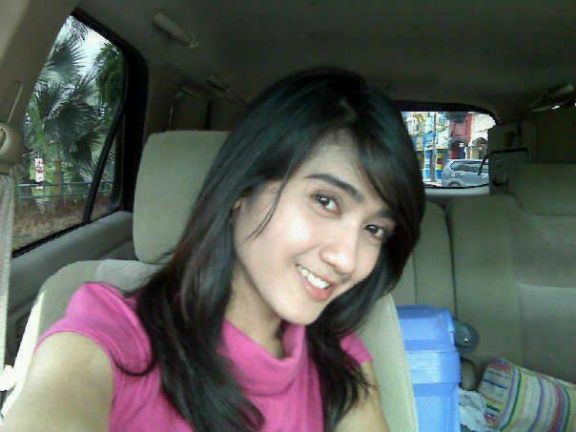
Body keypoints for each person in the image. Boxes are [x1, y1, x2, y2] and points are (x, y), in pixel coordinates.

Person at [4, 67, 425, 431]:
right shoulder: (113, 334)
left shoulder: (341, 359)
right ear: (243, 189)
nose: (347, 259)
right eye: (326, 201)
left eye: (374, 229)